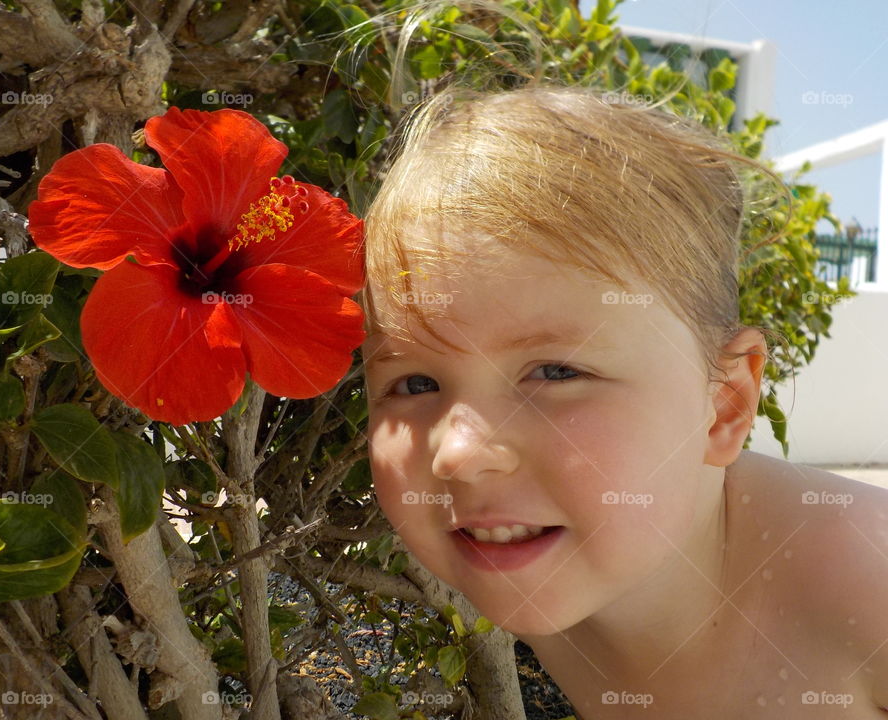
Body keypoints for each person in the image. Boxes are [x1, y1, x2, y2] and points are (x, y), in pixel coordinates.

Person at [360, 82, 888, 719]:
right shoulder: (563, 567)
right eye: (416, 384)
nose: (460, 453)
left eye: (554, 372)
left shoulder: (865, 580)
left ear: (723, 405)